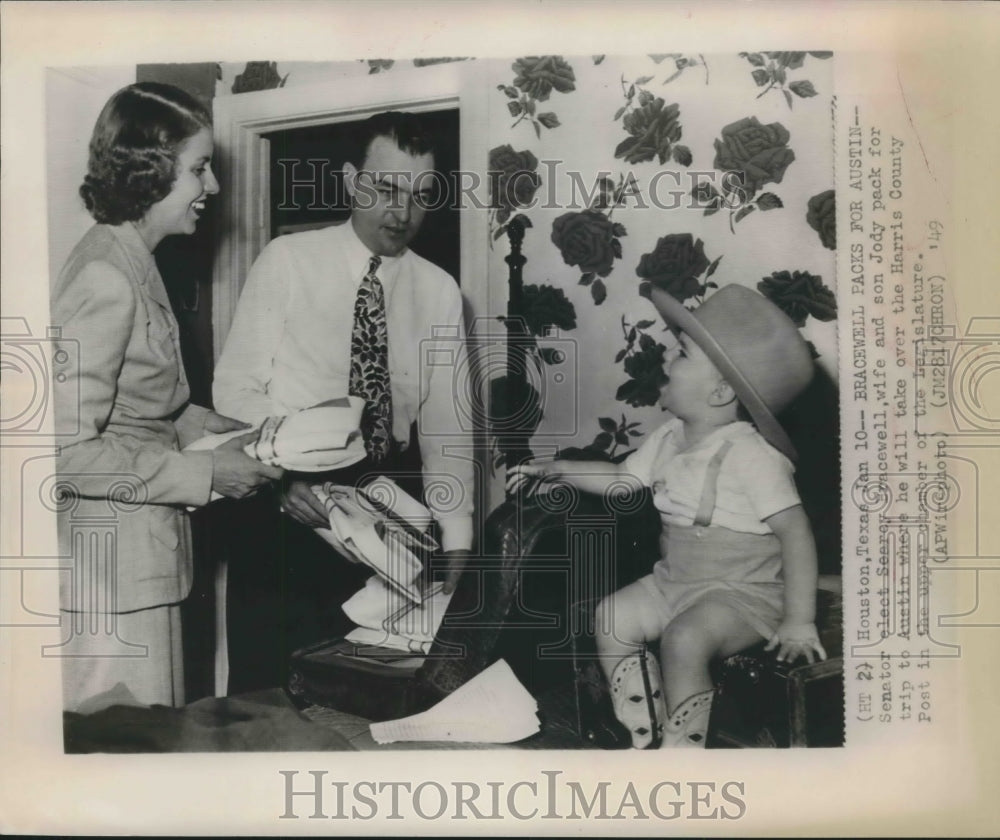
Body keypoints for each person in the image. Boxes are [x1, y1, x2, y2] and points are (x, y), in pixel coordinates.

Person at [213, 111, 474, 692]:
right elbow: (234, 388)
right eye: (385, 188)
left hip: (386, 509)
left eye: (420, 194)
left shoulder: (438, 290)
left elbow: (447, 428)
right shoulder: (288, 260)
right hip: (285, 504)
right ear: (353, 180)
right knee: (269, 694)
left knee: (365, 689)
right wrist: (284, 474)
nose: (402, 213)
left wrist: (457, 540)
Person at [507, 283, 827, 749]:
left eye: (681, 354)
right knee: (612, 617)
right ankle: (645, 728)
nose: (665, 362)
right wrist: (559, 469)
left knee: (684, 640)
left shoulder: (752, 456)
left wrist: (799, 619)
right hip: (674, 579)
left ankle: (684, 755)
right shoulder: (671, 436)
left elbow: (795, 535)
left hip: (743, 593)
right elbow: (621, 479)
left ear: (719, 391)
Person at [50, 82, 283, 712]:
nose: (211, 189)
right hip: (111, 582)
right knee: (125, 761)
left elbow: (153, 406)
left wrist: (242, 431)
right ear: (149, 171)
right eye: (200, 169)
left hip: (141, 566)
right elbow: (61, 453)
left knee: (155, 746)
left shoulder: (136, 260)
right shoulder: (105, 274)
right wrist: (207, 472)